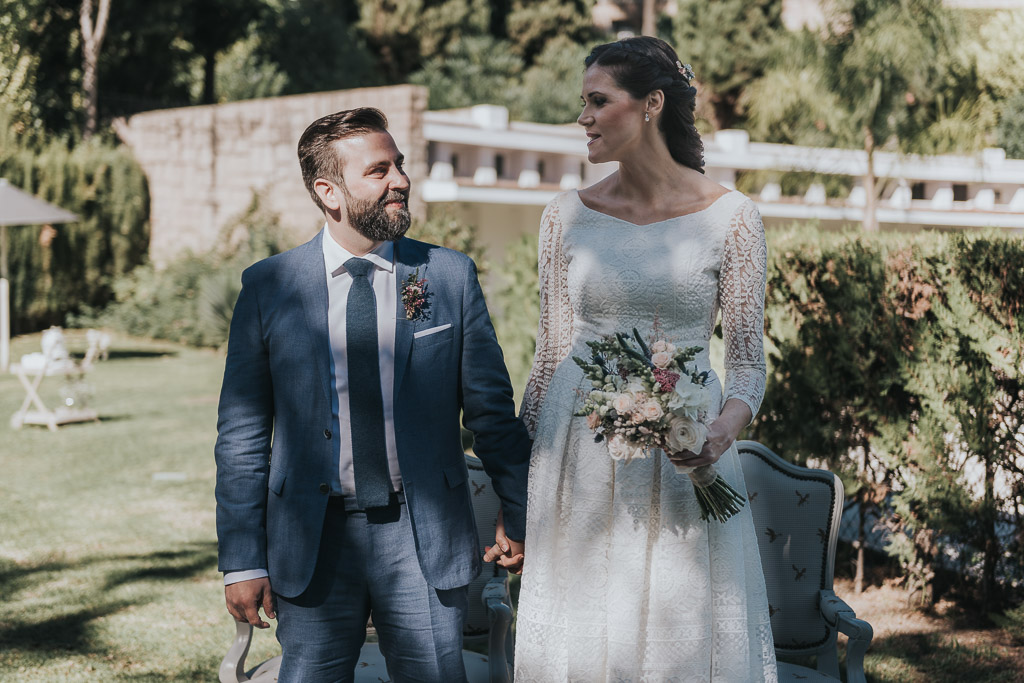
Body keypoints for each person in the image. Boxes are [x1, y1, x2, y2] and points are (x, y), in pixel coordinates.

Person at [214, 107, 530, 682]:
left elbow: (492, 411)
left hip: (423, 534)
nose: (400, 180)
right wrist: (241, 558)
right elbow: (242, 434)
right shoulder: (269, 287)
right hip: (313, 539)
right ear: (328, 191)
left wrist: (520, 508)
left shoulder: (448, 276)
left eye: (400, 166)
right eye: (379, 170)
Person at [508, 36, 778, 681]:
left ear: (652, 103)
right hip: (578, 453)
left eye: (599, 102)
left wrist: (717, 435)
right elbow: (549, 358)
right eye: (584, 103)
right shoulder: (563, 218)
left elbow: (746, 366)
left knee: (676, 623)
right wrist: (516, 486)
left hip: (688, 456)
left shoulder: (734, 219)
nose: (585, 118)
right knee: (586, 616)